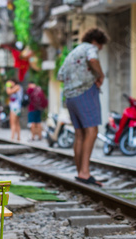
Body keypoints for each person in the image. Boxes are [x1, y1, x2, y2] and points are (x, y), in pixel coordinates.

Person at [57, 27, 107, 186]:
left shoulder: (72, 52)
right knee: (92, 130)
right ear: (95, 41)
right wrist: (100, 75)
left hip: (70, 96)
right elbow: (93, 60)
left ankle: (81, 172)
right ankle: (85, 172)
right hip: (85, 93)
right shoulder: (90, 48)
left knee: (80, 133)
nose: (100, 49)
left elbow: (60, 76)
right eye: (101, 45)